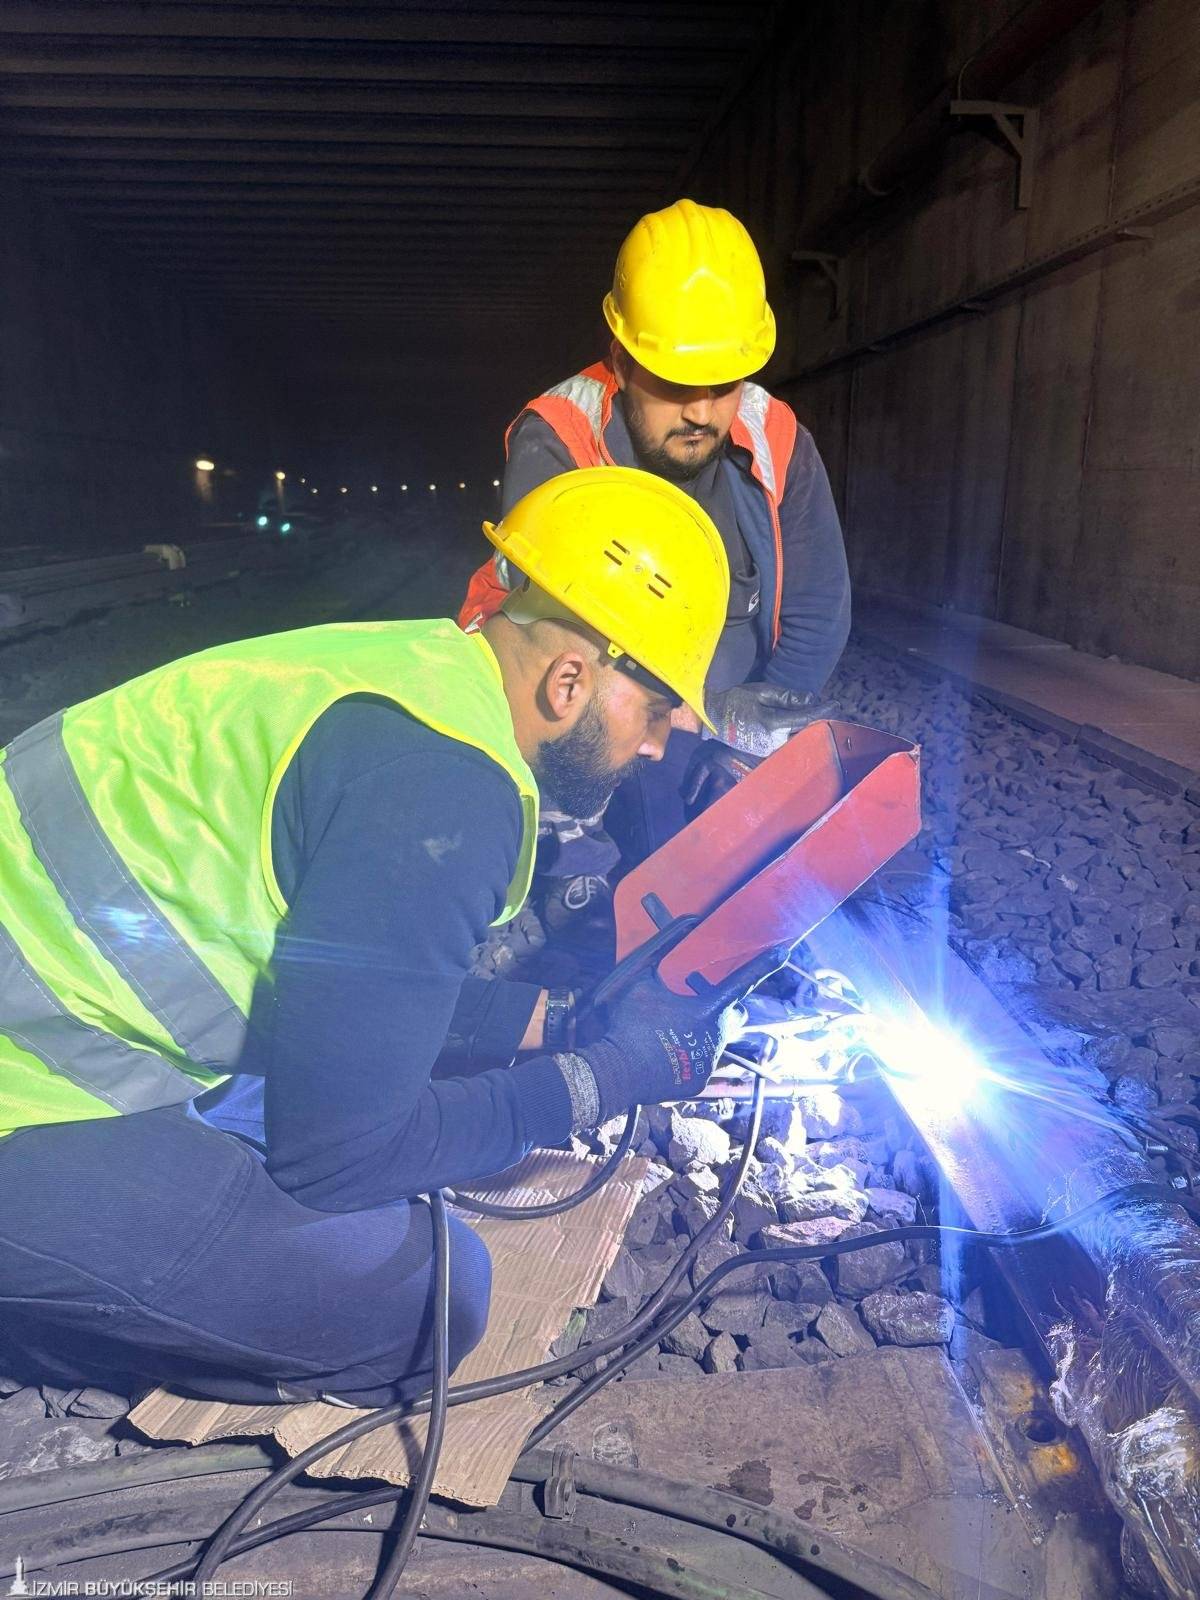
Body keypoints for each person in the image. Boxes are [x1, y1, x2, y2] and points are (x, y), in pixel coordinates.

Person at [0, 467, 774, 1408]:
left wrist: (571, 1019)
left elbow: (350, 975)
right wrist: (608, 1077)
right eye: (656, 709)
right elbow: (339, 1159)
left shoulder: (411, 677)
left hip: (39, 1025)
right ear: (572, 680)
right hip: (21, 1104)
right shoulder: (448, 791)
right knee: (432, 1300)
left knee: (357, 1097)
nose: (657, 744)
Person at [458, 198, 851, 917]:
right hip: (596, 702)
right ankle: (563, 879)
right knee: (615, 862)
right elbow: (566, 663)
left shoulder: (776, 438)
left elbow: (819, 612)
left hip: (710, 708)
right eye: (673, 383)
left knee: (764, 863)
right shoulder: (562, 436)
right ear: (620, 359)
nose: (701, 411)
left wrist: (745, 746)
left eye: (722, 383)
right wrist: (695, 724)